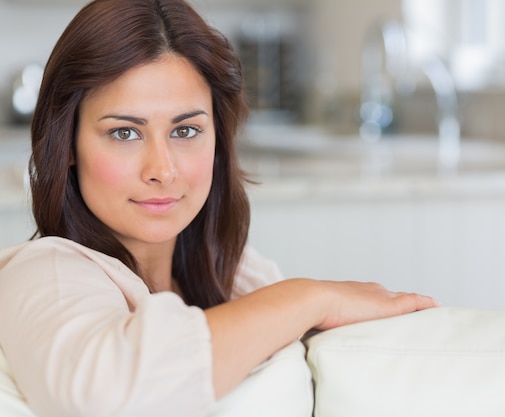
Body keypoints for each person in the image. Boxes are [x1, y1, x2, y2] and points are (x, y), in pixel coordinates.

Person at [0, 0, 438, 416]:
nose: (162, 170)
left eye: (186, 130)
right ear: (69, 144)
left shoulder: (240, 275)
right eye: (125, 134)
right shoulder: (41, 273)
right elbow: (110, 399)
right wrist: (310, 296)